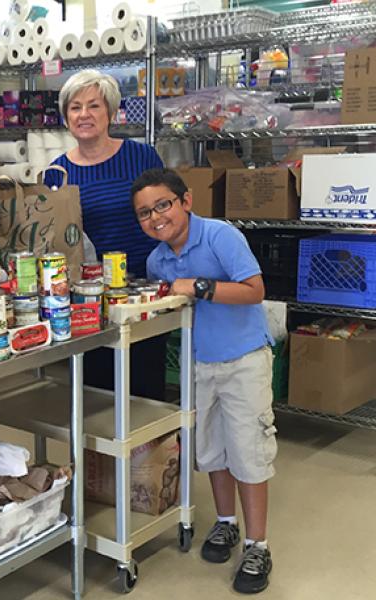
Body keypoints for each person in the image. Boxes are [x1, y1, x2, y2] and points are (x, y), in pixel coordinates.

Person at [131, 168, 275, 595]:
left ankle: (257, 544)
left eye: (163, 205)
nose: (155, 217)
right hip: (200, 365)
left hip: (244, 359)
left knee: (248, 449)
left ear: (185, 201)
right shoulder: (156, 260)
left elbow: (254, 289)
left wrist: (199, 285)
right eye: (144, 213)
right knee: (211, 449)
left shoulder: (220, 237)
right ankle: (226, 524)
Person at [44, 69, 166, 399]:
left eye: (94, 106)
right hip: (87, 300)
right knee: (95, 396)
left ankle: (153, 453)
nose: (84, 115)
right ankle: (96, 454)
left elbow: (167, 217)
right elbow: (54, 238)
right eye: (75, 107)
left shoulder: (142, 157)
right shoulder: (57, 173)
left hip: (143, 292)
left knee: (144, 393)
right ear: (66, 116)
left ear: (111, 112)